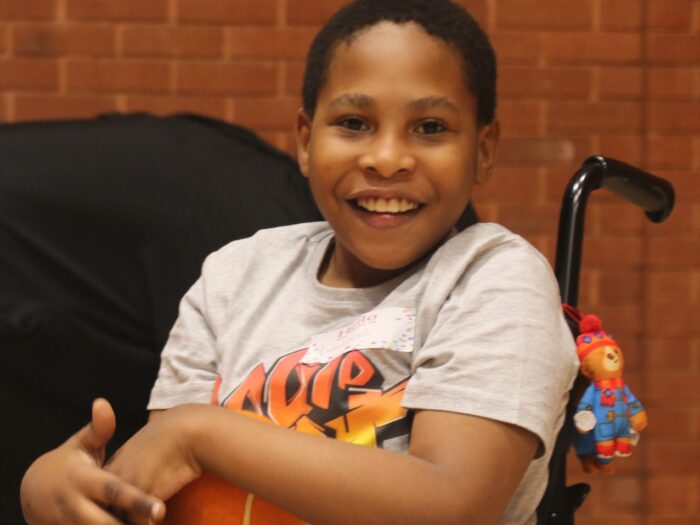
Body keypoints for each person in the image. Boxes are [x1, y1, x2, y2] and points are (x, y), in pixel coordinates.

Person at [20, 1, 578, 524]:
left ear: (482, 150)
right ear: (306, 142)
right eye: (354, 123)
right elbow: (167, 490)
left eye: (430, 128)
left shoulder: (491, 277)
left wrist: (199, 434)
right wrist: (57, 490)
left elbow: (454, 502)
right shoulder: (237, 275)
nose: (386, 159)